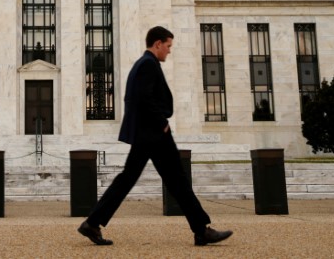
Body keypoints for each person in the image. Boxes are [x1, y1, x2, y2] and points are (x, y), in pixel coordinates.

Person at [77, 26, 233, 247]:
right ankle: (201, 230)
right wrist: (162, 123)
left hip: (146, 133)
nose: (169, 51)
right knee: (177, 180)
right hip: (154, 133)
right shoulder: (148, 64)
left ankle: (92, 223)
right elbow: (142, 98)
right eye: (168, 46)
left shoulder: (144, 64)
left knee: (132, 178)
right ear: (157, 44)